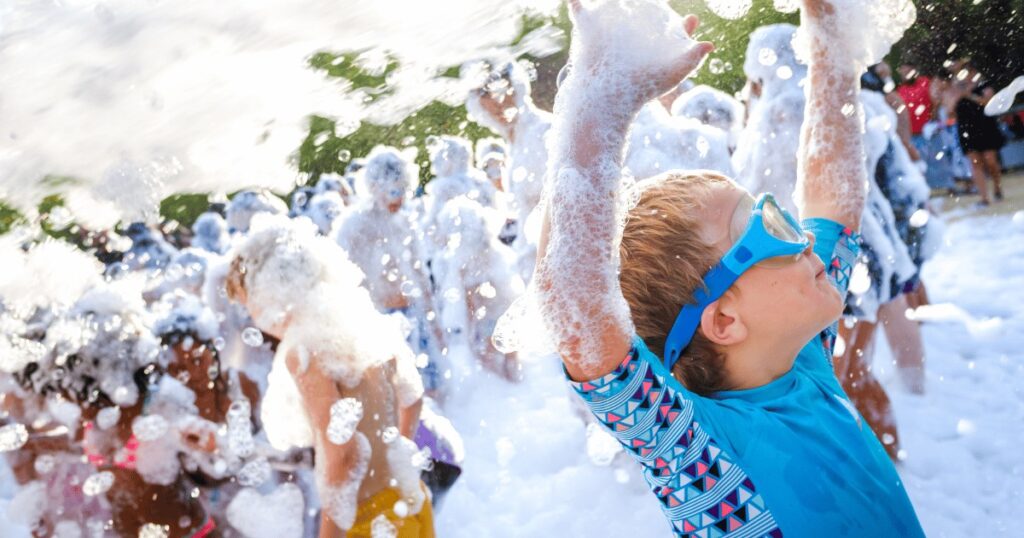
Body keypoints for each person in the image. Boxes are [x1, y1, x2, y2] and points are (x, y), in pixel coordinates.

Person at [534, 0, 924, 536]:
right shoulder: (701, 454)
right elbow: (576, 311)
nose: (803, 237)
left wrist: (831, 34)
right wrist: (604, 99)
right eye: (771, 232)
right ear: (723, 322)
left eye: (779, 214)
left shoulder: (801, 359)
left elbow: (832, 198)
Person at [226, 216, 433, 537]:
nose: (252, 316)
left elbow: (344, 455)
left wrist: (329, 532)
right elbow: (412, 398)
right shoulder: (360, 318)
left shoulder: (303, 350)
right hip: (408, 501)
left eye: (248, 302)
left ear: (273, 292)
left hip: (368, 523)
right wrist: (395, 457)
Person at [954, 60, 1007, 205]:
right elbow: (949, 109)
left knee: (990, 160)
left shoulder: (984, 85)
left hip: (986, 126)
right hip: (967, 128)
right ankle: (984, 198)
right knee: (975, 163)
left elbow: (989, 101)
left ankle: (997, 186)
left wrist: (969, 95)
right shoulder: (957, 89)